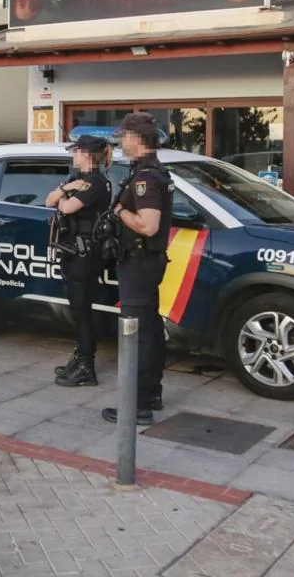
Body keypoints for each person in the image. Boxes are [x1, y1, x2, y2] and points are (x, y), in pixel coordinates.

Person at [102, 112, 173, 426]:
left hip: (140, 260)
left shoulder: (146, 178)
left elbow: (147, 224)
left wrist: (119, 212)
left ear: (136, 138)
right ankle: (151, 393)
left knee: (137, 331)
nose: (120, 141)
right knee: (150, 327)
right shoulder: (150, 171)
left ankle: (138, 404)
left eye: (124, 136)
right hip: (145, 261)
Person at [45, 134, 112, 388]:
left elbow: (65, 208)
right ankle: (80, 356)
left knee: (81, 310)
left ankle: (87, 366)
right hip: (75, 252)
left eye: (76, 151)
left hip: (85, 254)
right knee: (77, 308)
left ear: (86, 154)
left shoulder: (93, 183)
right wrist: (64, 190)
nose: (73, 155)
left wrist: (63, 193)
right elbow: (49, 200)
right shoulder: (78, 181)